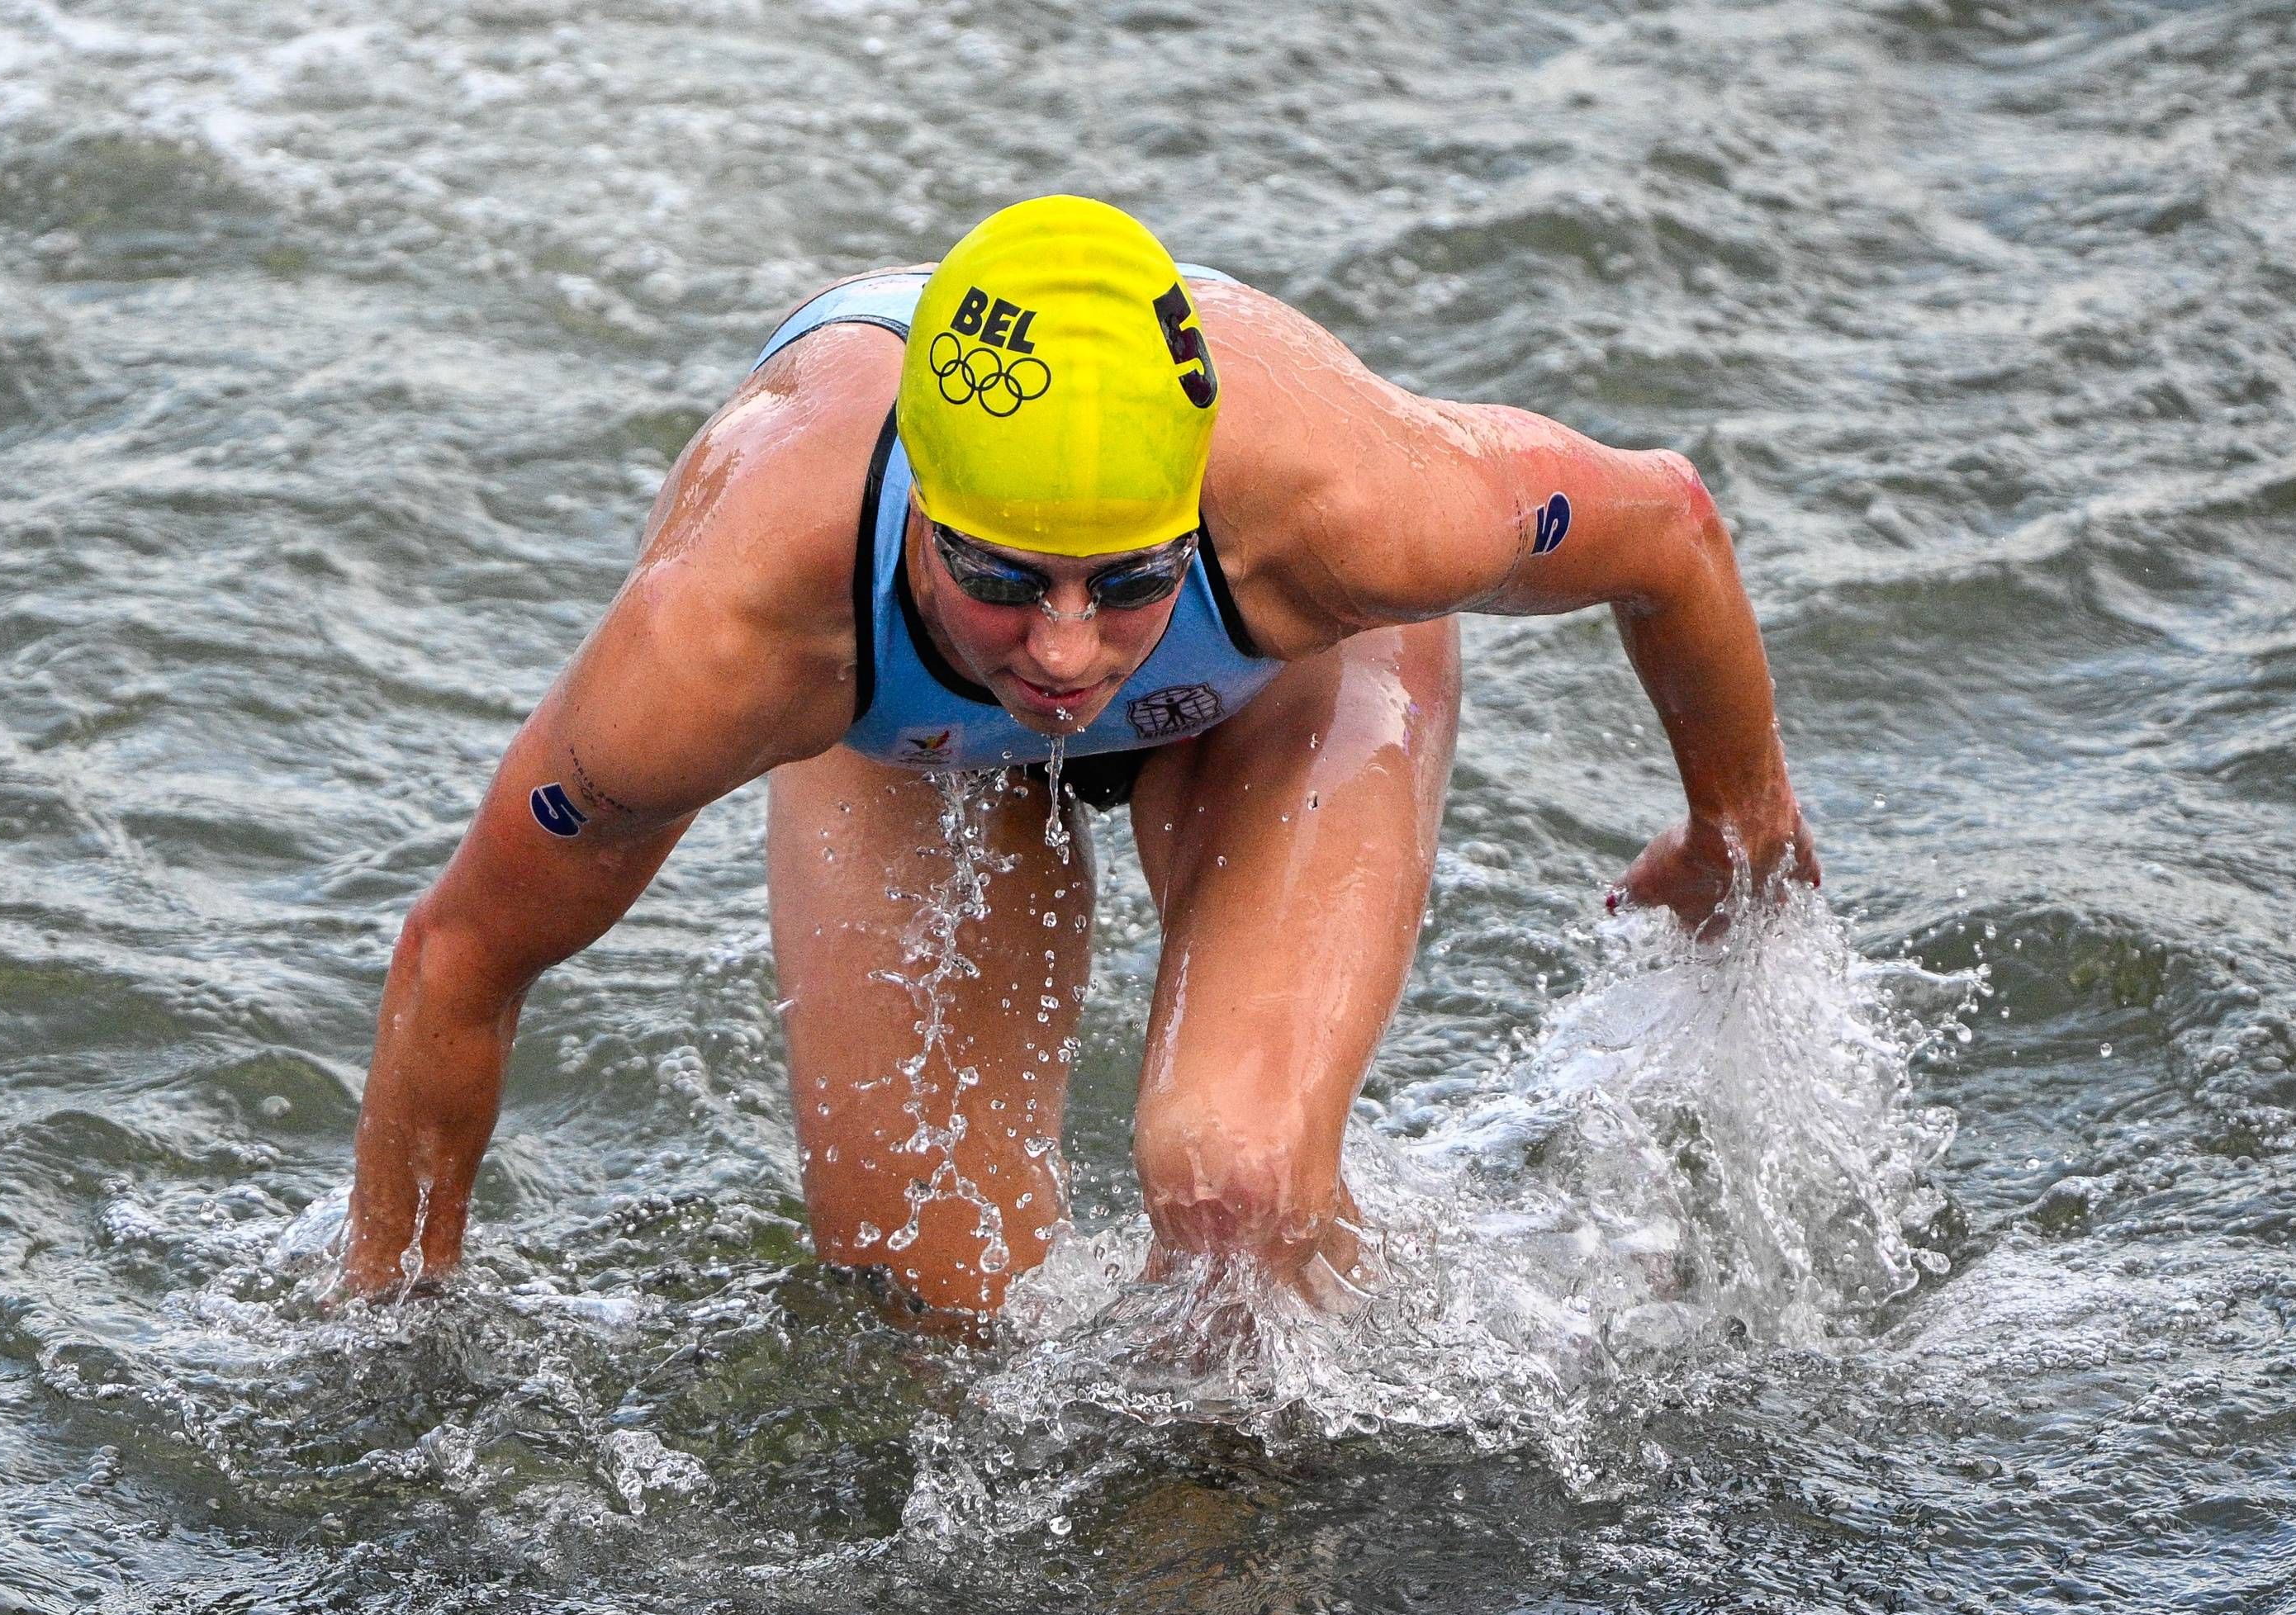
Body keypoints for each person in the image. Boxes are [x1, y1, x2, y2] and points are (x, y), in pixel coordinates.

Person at [340, 196, 1815, 1313]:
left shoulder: (1352, 505)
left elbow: (1669, 527)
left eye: (1125, 582)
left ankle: (1366, 1446)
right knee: (929, 1316)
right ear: (922, 520)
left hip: (1273, 678)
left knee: (1237, 1186)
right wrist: (391, 1327)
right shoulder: (734, 633)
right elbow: (460, 954)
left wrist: (1736, 834)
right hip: (899, 732)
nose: (1064, 653)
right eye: (1005, 579)